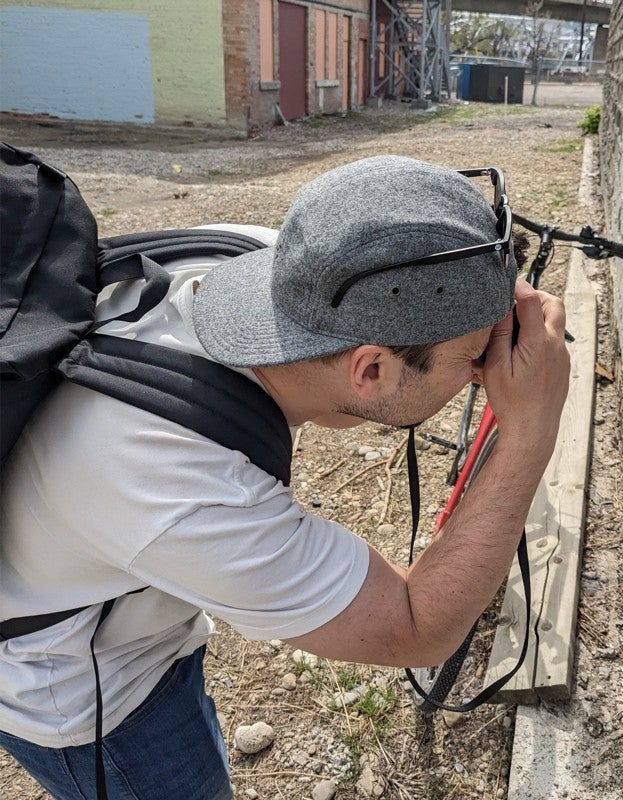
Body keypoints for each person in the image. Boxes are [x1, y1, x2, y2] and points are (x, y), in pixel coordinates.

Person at [0, 155, 570, 799]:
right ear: (371, 370)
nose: (482, 373)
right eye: (473, 357)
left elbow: (332, 402)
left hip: (118, 580)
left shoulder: (255, 259)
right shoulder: (186, 486)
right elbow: (417, 626)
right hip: (91, 694)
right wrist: (528, 431)